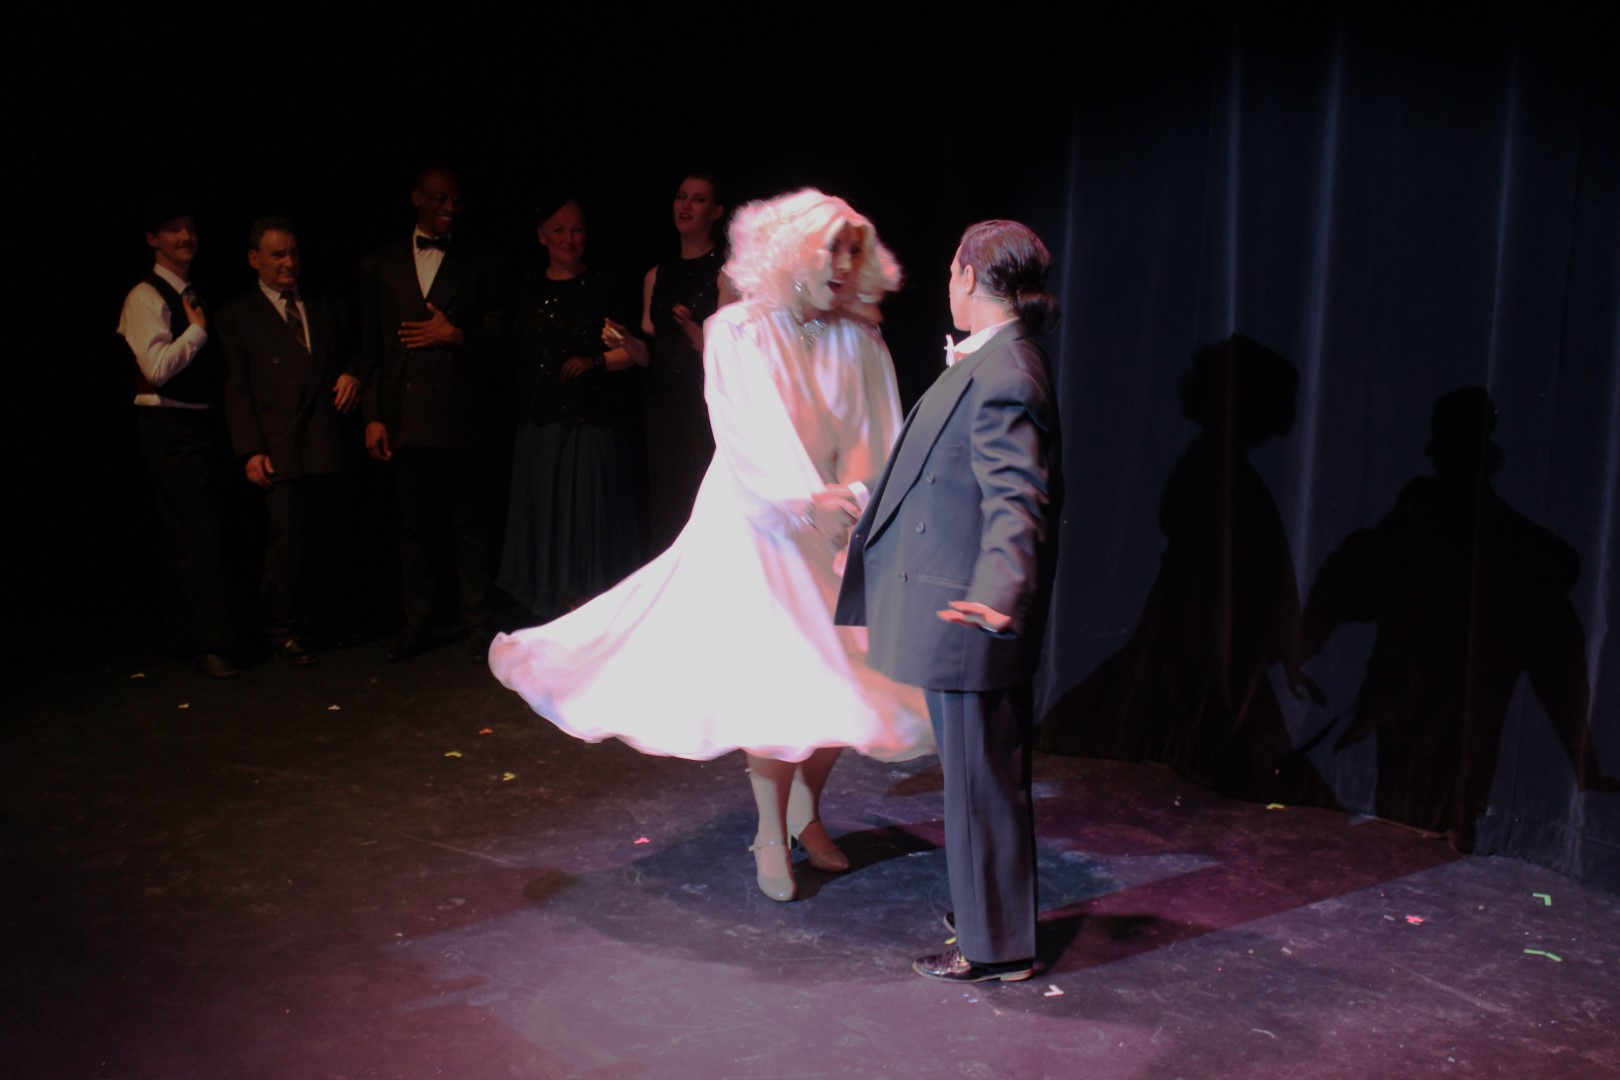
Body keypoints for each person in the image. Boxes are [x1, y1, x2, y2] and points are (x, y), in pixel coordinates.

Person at [489, 189, 931, 901]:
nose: (845, 264)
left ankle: (806, 812)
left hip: (832, 521)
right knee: (781, 679)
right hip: (758, 519)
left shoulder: (860, 338)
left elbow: (876, 436)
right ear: (793, 251)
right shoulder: (738, 331)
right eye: (833, 248)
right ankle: (769, 830)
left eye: (857, 250)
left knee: (851, 679)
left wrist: (855, 503)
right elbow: (747, 431)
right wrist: (805, 499)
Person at [837, 219, 1061, 982]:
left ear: (969, 275)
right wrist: (862, 496)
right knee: (976, 779)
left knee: (978, 784)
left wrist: (998, 592)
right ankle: (988, 920)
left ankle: (998, 948)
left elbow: (1017, 497)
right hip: (960, 601)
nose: (947, 285)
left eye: (950, 272)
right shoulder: (991, 358)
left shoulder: (1007, 370)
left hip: (969, 608)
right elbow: (943, 463)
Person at [358, 168, 505, 663]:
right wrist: (373, 416)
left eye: (456, 201)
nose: (449, 208)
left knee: (472, 527)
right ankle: (418, 624)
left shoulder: (479, 262)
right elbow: (372, 347)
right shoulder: (379, 264)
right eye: (440, 199)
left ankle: (479, 626)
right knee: (414, 529)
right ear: (416, 198)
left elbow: (502, 337)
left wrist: (456, 335)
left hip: (464, 414)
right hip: (407, 416)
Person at [216, 217, 362, 664]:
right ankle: (281, 628)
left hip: (325, 439)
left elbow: (355, 351)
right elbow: (236, 388)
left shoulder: (323, 304)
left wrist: (352, 374)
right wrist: (250, 450)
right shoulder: (237, 315)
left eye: (293, 252)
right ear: (254, 259)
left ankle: (323, 621)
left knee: (327, 538)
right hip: (279, 445)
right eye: (277, 255)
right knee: (286, 544)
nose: (288, 262)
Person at [497, 195, 646, 620]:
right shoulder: (525, 287)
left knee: (587, 521)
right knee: (548, 518)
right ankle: (552, 608)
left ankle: (588, 607)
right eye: (558, 230)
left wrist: (595, 361)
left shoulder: (605, 284)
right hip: (541, 425)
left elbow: (634, 352)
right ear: (541, 235)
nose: (568, 238)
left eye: (577, 229)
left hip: (590, 424)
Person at [117, 203, 240, 678]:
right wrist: (197, 332)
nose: (185, 237)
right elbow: (157, 368)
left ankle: (181, 636)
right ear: (153, 239)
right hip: (166, 424)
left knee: (182, 535)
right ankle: (212, 644)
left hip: (195, 423)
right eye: (173, 230)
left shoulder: (190, 291)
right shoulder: (145, 295)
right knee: (200, 532)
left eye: (189, 228)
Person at [638, 173, 735, 556]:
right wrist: (625, 342)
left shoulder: (726, 272)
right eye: (682, 197)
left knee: (698, 498)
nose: (686, 206)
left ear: (716, 211)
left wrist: (699, 337)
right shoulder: (656, 274)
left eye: (698, 199)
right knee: (667, 499)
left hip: (702, 403)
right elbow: (649, 341)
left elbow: (734, 352)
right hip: (663, 404)